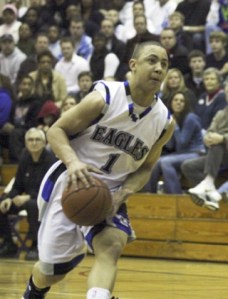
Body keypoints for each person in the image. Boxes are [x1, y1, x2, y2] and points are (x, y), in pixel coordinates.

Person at [21, 41, 175, 299]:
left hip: (111, 191)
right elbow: (57, 130)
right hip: (72, 183)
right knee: (50, 271)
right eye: (152, 60)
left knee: (111, 245)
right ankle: (35, 290)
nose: (159, 68)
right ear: (133, 65)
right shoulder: (104, 97)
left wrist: (124, 192)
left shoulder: (164, 122)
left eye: (164, 64)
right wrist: (73, 162)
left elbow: (147, 167)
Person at [0, 128, 56, 260]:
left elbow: (51, 190)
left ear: (44, 142)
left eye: (38, 140)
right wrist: (9, 198)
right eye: (30, 140)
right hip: (27, 199)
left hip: (46, 202)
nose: (34, 143)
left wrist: (29, 196)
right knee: (2, 203)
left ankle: (36, 246)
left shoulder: (50, 161)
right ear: (26, 143)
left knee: (32, 205)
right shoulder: (24, 158)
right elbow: (17, 186)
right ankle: (9, 243)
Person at [143, 91, 204, 194]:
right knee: (155, 161)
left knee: (165, 162)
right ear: (171, 103)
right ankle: (150, 194)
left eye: (182, 101)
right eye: (176, 100)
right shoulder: (173, 117)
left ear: (186, 104)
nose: (178, 103)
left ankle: (175, 195)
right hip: (182, 153)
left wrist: (174, 126)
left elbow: (182, 143)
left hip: (196, 153)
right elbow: (171, 145)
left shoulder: (190, 118)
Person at [182, 78, 228, 211]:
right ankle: (209, 191)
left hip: (222, 149)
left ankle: (209, 184)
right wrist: (208, 138)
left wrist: (223, 138)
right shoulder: (221, 113)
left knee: (218, 143)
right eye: (227, 92)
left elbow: (219, 138)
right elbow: (210, 130)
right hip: (219, 155)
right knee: (188, 166)